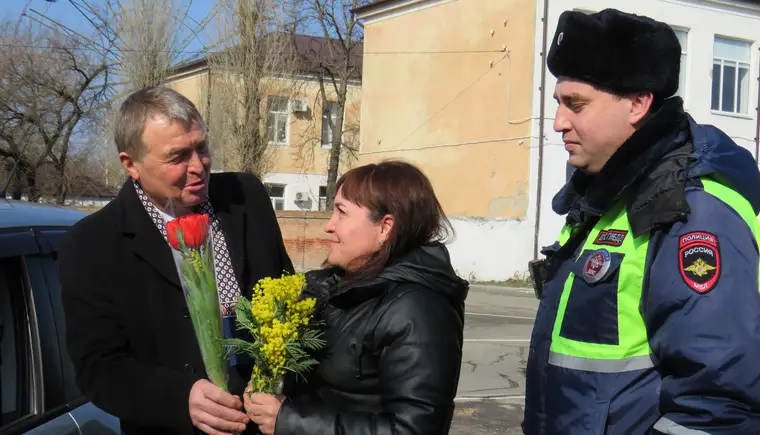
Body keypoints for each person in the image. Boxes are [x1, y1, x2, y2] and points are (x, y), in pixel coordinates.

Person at [524, 8, 760, 435]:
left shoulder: (691, 210)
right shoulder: (607, 198)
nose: (559, 122)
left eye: (575, 104)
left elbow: (716, 407)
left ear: (637, 103)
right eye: (557, 103)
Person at [59, 86, 294, 435]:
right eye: (178, 156)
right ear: (130, 165)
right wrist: (181, 398)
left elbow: (286, 297)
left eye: (202, 147)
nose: (198, 166)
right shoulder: (92, 245)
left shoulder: (248, 197)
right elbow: (99, 368)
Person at [242, 161, 469, 435]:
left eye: (342, 213)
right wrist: (268, 385)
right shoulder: (337, 286)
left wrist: (289, 421)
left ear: (385, 228)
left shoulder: (418, 309)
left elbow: (414, 429)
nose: (329, 226)